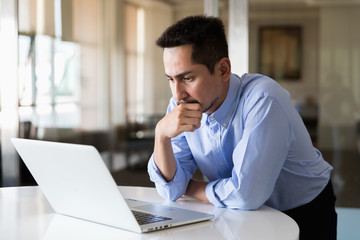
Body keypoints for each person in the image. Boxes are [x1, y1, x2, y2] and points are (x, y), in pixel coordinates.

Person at [147, 15, 337, 239]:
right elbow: (170, 190)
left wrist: (190, 188)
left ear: (223, 69)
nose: (177, 94)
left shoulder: (264, 98)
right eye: (170, 79)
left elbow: (247, 194)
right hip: (239, 211)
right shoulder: (181, 104)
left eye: (187, 78)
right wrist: (161, 136)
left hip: (303, 210)